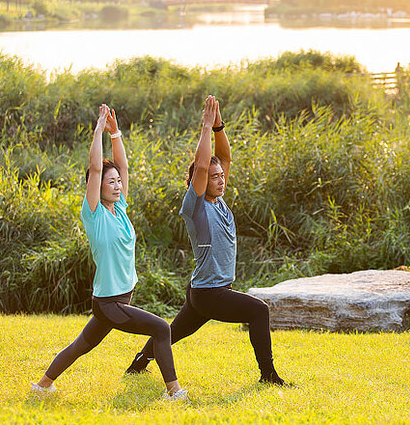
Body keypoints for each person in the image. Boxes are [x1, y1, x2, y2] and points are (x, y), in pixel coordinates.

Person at [126, 95, 286, 385]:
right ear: (197, 184)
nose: (221, 179)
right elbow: (201, 166)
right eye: (214, 177)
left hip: (204, 290)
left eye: (222, 176)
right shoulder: (196, 206)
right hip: (209, 293)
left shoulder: (219, 201)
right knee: (258, 310)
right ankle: (268, 375)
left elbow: (224, 158)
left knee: (173, 331)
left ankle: (140, 361)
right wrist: (204, 127)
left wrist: (218, 125)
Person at [31, 104, 187, 401]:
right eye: (110, 181)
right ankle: (174, 391)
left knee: (81, 345)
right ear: (97, 186)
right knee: (161, 329)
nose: (117, 185)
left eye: (118, 182)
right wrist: (99, 128)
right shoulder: (94, 215)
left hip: (120, 297)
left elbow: (123, 167)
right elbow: (94, 167)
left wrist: (116, 132)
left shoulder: (120, 209)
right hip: (109, 303)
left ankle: (42, 386)